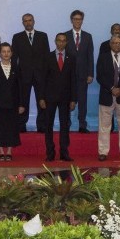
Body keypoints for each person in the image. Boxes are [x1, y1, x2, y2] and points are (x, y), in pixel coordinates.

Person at [39, 33, 77, 162]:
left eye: (63, 41)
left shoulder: (71, 58)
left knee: (65, 125)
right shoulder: (47, 57)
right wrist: (41, 98)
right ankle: (50, 153)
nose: (61, 43)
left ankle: (64, 152)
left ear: (66, 42)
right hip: (49, 97)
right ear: (55, 42)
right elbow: (42, 79)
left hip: (65, 98)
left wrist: (73, 99)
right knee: (48, 125)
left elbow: (73, 80)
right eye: (59, 40)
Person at [96, 36, 120, 161]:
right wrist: (111, 88)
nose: (117, 45)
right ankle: (103, 152)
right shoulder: (103, 57)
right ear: (110, 44)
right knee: (104, 126)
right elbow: (100, 76)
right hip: (106, 95)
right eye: (114, 43)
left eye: (119, 43)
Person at [11, 13, 50, 133]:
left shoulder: (43, 36)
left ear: (34, 21)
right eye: (25, 21)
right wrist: (16, 74)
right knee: (23, 101)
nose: (28, 23)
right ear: (23, 23)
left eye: (30, 20)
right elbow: (14, 58)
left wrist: (46, 73)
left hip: (40, 75)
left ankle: (42, 125)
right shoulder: (17, 37)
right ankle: (21, 125)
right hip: (23, 75)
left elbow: (46, 56)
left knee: (42, 100)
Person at [0, 43, 24, 161]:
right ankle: (2, 152)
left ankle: (10, 152)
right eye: (3, 51)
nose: (6, 54)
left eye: (8, 51)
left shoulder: (17, 68)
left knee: (12, 127)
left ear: (11, 53)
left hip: (13, 104)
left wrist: (21, 104)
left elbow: (21, 87)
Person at [65, 10, 94, 133]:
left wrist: (90, 74)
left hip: (83, 75)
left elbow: (90, 56)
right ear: (71, 20)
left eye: (80, 19)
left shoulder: (88, 36)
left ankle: (82, 124)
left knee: (82, 101)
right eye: (75, 19)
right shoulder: (65, 36)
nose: (77, 21)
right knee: (67, 100)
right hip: (68, 75)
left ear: (82, 20)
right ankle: (66, 124)